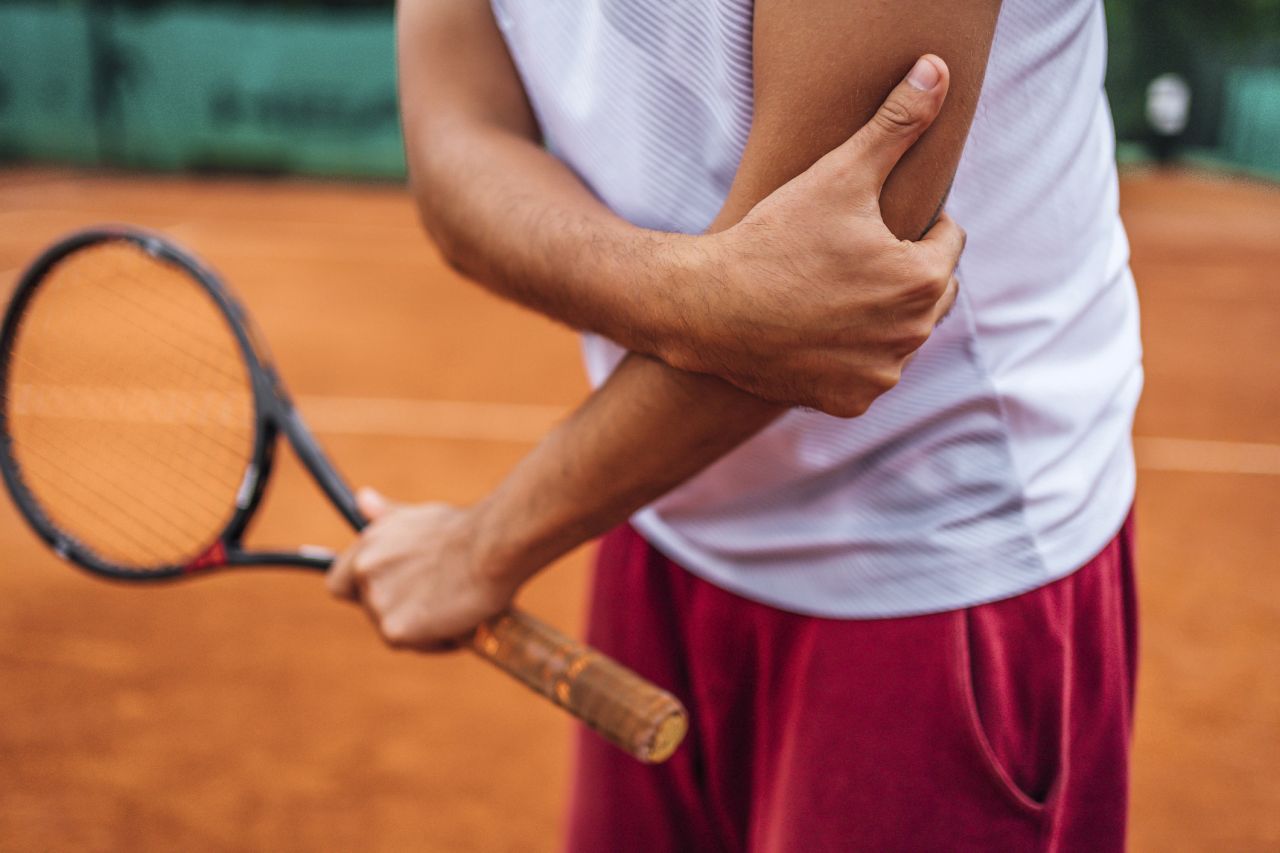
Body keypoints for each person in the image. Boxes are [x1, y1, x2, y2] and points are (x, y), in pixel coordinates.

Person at [330, 1, 1143, 849]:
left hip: (936, 559)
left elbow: (822, 302)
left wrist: (483, 546)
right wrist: (693, 296)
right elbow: (458, 139)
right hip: (653, 507)